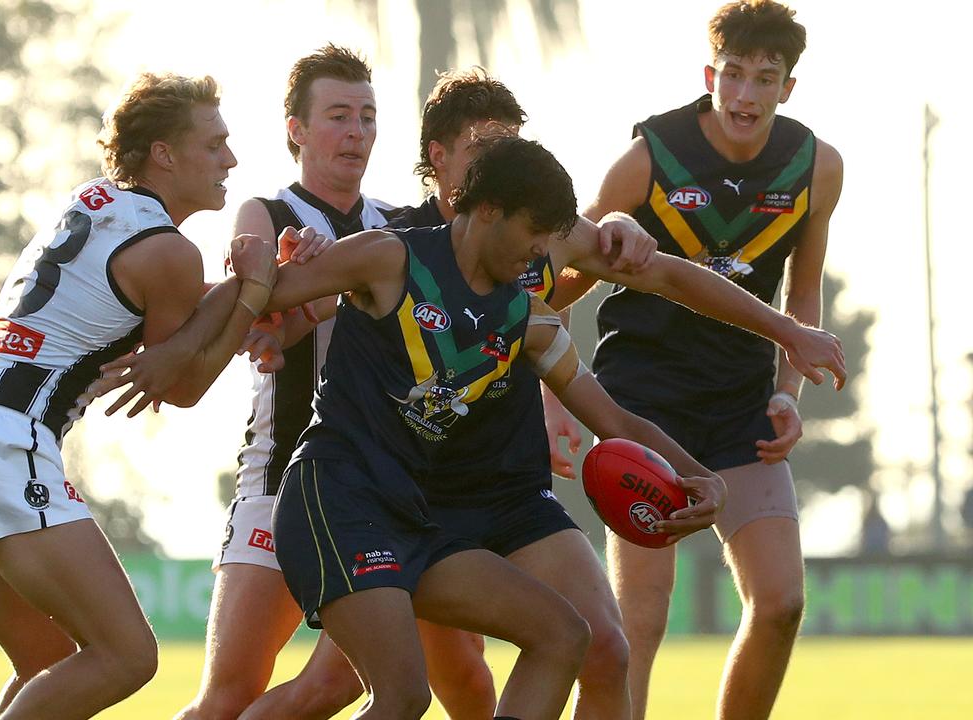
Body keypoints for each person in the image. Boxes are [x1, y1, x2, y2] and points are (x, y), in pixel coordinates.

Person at [250, 67, 846, 720]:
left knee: (594, 645)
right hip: (395, 491)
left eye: (514, 146)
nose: (505, 161)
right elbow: (294, 296)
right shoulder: (402, 241)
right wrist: (271, 293)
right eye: (485, 149)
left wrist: (784, 329)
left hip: (504, 488)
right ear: (440, 159)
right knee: (371, 690)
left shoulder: (542, 234)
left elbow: (661, 284)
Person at [112, 135, 734, 720]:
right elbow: (263, 287)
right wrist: (177, 352)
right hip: (337, 499)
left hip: (418, 518)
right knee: (402, 697)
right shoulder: (390, 255)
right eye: (534, 231)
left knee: (565, 635)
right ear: (488, 210)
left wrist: (700, 478)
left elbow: (616, 420)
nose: (543, 251)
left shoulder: (529, 320)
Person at [0, 72, 285, 720]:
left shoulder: (99, 203)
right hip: (8, 442)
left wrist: (244, 285)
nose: (230, 159)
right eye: (214, 143)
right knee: (128, 655)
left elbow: (173, 326)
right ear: (164, 153)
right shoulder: (168, 250)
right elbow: (184, 383)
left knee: (51, 669)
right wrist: (252, 290)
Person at [579, 3, 846, 718]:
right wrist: (611, 225)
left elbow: (805, 290)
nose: (746, 95)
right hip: (643, 402)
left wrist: (788, 394)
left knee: (782, 601)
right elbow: (566, 268)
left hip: (740, 405)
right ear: (710, 75)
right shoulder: (648, 156)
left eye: (766, 78)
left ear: (788, 87)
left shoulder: (816, 166)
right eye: (734, 74)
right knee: (642, 615)